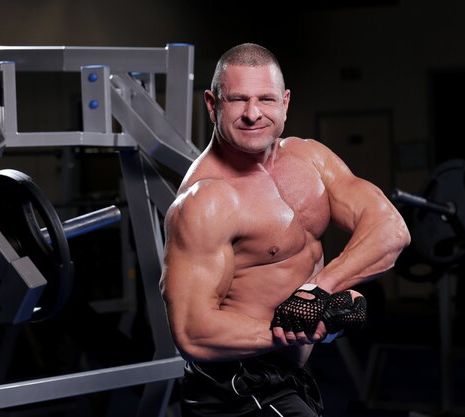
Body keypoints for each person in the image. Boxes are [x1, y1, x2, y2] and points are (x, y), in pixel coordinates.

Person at [159, 43, 410, 417]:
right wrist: (309, 325)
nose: (253, 113)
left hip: (287, 374)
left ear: (286, 102)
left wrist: (318, 291)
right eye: (238, 100)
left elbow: (391, 231)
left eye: (266, 99)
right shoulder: (207, 201)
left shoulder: (311, 158)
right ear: (213, 105)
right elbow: (193, 331)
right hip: (234, 385)